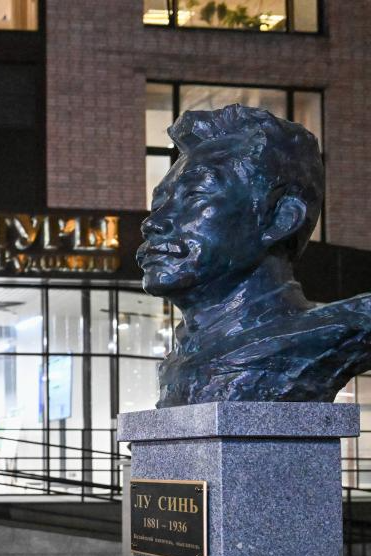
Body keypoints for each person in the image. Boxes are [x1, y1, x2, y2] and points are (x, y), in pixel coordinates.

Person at [139, 104, 371, 406]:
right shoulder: (182, 361)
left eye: (195, 195)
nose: (153, 222)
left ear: (281, 220)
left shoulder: (330, 332)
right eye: (159, 204)